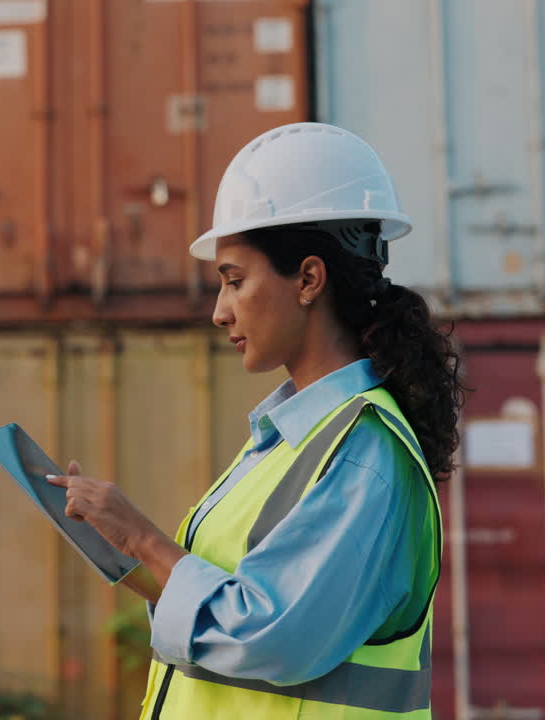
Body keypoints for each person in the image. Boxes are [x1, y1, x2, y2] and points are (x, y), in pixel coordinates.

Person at [45, 122, 466, 719]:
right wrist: (116, 542)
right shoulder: (289, 442)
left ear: (309, 279)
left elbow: (271, 638)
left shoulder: (363, 452)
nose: (220, 312)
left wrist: (142, 537)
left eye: (235, 281)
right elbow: (223, 613)